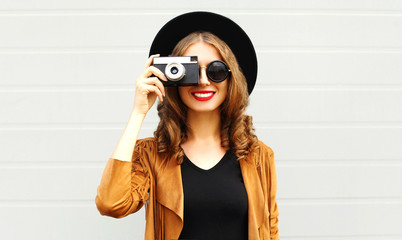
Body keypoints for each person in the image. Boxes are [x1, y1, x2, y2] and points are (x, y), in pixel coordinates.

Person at [95, 11, 279, 240]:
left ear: (232, 79)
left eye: (216, 71)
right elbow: (111, 203)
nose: (203, 80)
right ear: (172, 78)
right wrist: (138, 112)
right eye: (191, 71)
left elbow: (270, 232)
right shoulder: (152, 155)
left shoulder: (258, 156)